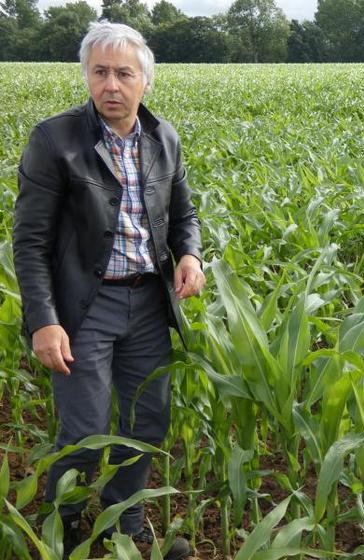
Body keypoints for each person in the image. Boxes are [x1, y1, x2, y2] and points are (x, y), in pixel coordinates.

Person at [12, 21, 204, 560]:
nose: (111, 85)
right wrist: (44, 319)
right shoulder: (56, 140)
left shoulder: (162, 138)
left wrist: (190, 253)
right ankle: (63, 528)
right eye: (100, 73)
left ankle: (127, 519)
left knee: (147, 421)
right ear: (87, 78)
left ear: (145, 81)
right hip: (82, 307)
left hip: (148, 302)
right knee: (85, 429)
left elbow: (184, 212)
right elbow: (29, 241)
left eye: (123, 73)